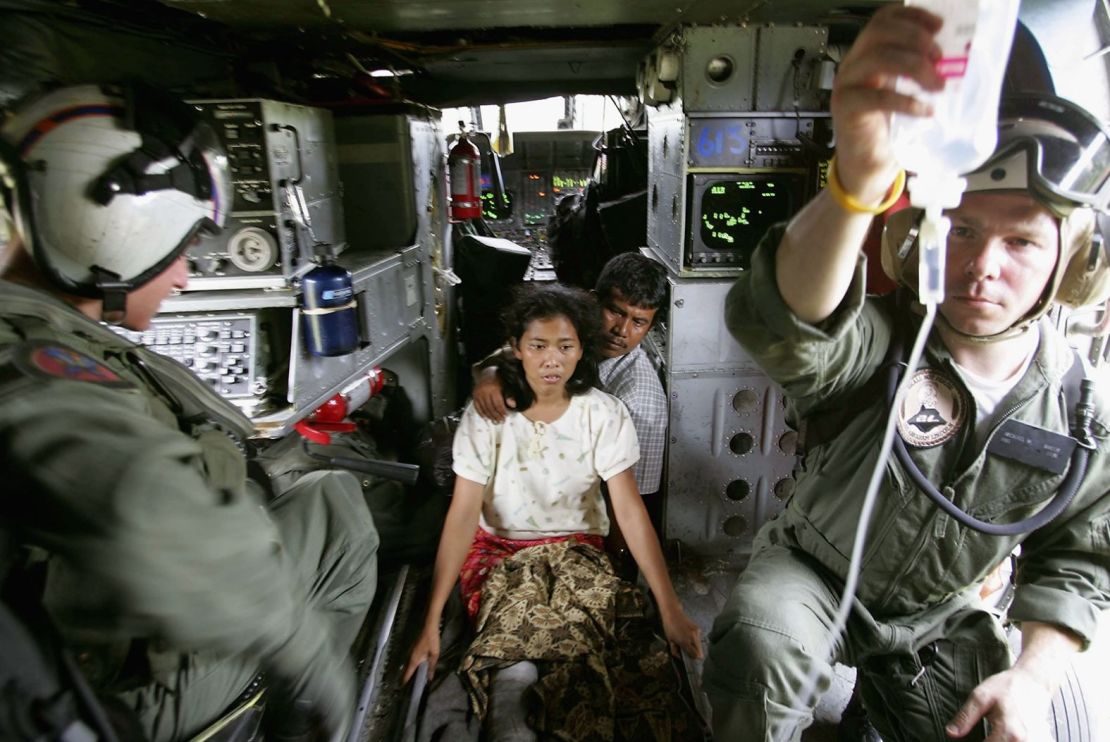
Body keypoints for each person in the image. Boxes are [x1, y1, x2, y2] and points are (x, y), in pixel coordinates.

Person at [701, 6, 1110, 742]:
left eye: (1021, 240)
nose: (983, 266)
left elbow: (1082, 558)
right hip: (815, 576)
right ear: (923, 235)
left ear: (1072, 265)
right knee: (761, 649)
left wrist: (1032, 674)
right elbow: (792, 323)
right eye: (963, 230)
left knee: (991, 724)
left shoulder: (1083, 412)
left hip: (941, 610)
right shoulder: (889, 344)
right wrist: (856, 181)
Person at [0, 84, 378, 741]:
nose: (181, 276)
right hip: (113, 693)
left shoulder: (57, 330)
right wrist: (305, 652)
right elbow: (141, 504)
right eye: (176, 252)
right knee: (340, 520)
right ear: (115, 233)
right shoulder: (26, 362)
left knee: (330, 492)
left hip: (109, 638)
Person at [403, 283, 700, 740]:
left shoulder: (604, 414)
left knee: (589, 651)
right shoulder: (488, 415)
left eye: (565, 346)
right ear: (516, 349)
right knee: (514, 653)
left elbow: (629, 509)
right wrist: (430, 621)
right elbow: (462, 514)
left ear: (582, 349)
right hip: (499, 555)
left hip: (577, 553)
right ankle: (511, 708)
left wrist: (671, 608)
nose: (551, 360)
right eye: (538, 346)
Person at [472, 252, 669, 498]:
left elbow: (631, 501)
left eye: (638, 322)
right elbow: (510, 355)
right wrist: (491, 374)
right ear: (594, 300)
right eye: (615, 312)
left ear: (651, 327)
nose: (622, 330)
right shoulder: (574, 332)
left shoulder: (640, 401)